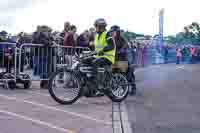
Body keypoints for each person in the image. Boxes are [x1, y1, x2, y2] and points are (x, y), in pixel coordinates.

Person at [82, 18, 116, 96]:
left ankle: (97, 85)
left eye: (96, 26)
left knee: (95, 62)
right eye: (95, 26)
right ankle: (87, 82)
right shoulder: (97, 35)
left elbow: (112, 46)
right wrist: (90, 53)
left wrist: (103, 50)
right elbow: (96, 47)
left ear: (102, 27)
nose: (95, 28)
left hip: (108, 57)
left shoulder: (107, 34)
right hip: (99, 56)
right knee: (84, 60)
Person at [110, 25, 136, 95]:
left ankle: (133, 87)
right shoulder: (111, 39)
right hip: (114, 59)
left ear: (118, 32)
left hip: (122, 59)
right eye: (112, 32)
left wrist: (122, 50)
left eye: (114, 31)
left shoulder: (122, 38)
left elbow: (126, 45)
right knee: (114, 74)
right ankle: (115, 88)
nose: (113, 33)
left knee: (128, 74)